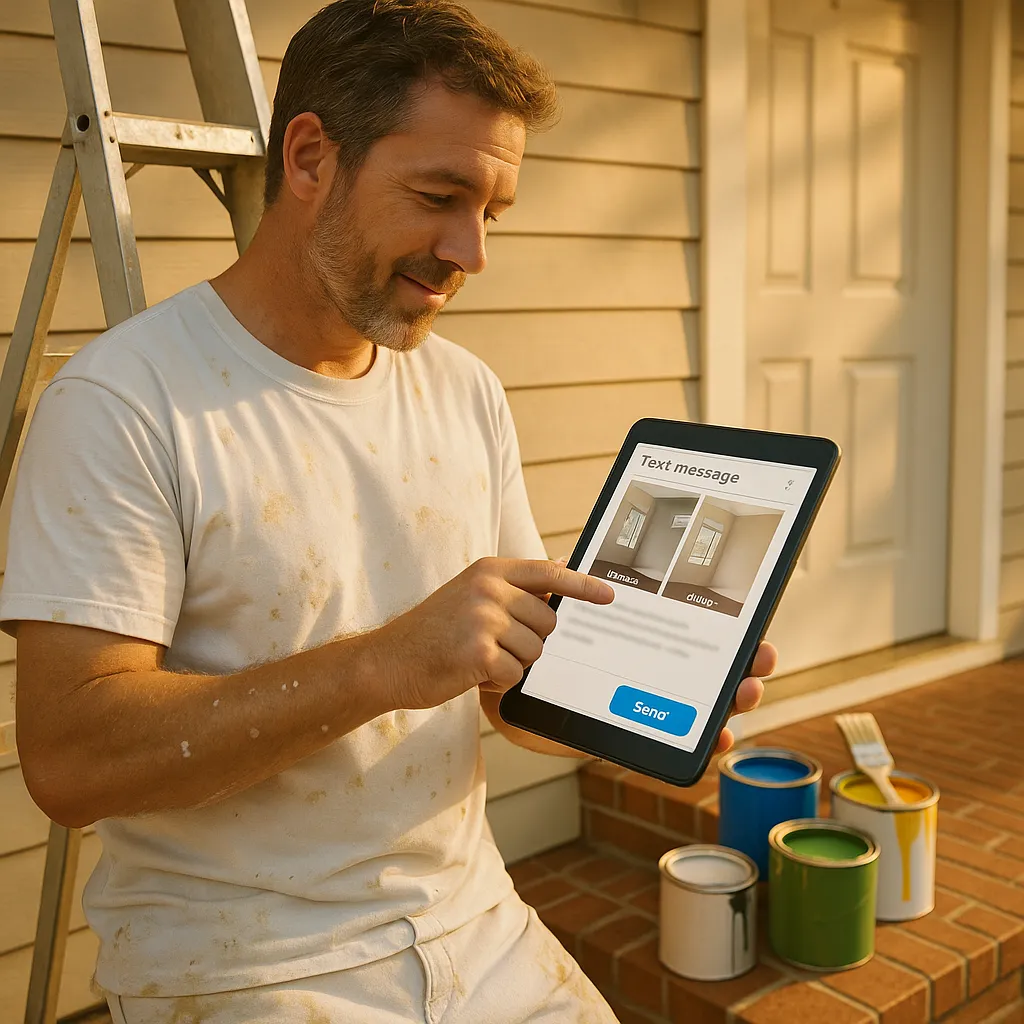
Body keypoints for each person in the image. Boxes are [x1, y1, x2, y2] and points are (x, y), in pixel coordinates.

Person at [1, 1, 774, 1021]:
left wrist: (644, 706)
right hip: (241, 959)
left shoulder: (465, 391)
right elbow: (67, 759)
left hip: (474, 919)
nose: (471, 251)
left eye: (492, 210)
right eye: (439, 195)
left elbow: (508, 690)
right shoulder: (125, 403)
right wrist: (385, 663)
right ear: (313, 158)